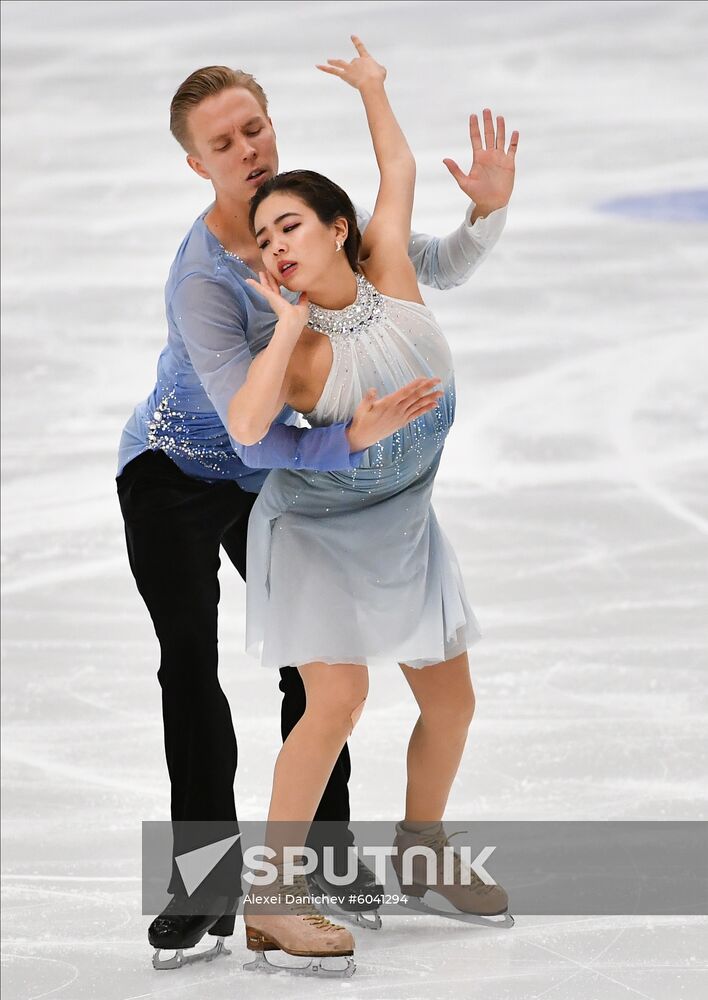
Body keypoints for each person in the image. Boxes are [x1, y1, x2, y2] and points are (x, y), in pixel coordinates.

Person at [115, 51, 510, 969]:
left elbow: (417, 252)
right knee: (195, 671)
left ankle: (325, 867)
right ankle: (210, 884)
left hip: (319, 480)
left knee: (319, 684)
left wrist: (485, 210)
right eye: (224, 141)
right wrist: (346, 427)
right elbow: (253, 434)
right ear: (196, 163)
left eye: (254, 127)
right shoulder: (209, 282)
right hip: (183, 471)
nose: (247, 147)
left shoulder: (314, 224)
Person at [229, 36, 518, 976]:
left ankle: (423, 850)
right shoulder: (301, 349)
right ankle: (272, 899)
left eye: (289, 226)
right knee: (338, 701)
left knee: (453, 703)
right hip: (316, 532)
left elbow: (395, 169)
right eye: (263, 234)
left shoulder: (392, 269)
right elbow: (247, 425)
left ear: (338, 230)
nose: (274, 243)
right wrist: (281, 328)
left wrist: (376, 90)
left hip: (404, 522)